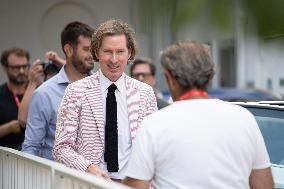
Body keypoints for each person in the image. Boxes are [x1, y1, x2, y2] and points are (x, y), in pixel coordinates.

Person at [123, 41, 274, 189]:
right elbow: (264, 185)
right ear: (209, 76)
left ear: (169, 77)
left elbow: (135, 186)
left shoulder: (154, 124)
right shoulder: (244, 118)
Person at [53, 19, 157, 181]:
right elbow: (61, 148)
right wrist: (89, 168)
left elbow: (153, 146)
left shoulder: (144, 93)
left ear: (129, 52)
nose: (114, 60)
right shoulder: (76, 91)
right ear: (96, 52)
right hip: (89, 183)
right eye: (108, 51)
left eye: (120, 51)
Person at [21, 21, 94, 160]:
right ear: (69, 50)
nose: (92, 54)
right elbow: (31, 147)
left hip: (98, 179)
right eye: (86, 49)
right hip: (57, 179)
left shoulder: (104, 88)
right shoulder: (44, 94)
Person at [0, 47, 43, 150]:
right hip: (6, 160)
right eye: (16, 67)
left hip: (36, 158)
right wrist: (9, 128)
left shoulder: (39, 92)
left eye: (25, 66)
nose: (22, 71)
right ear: (5, 67)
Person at [18, 51, 65, 128]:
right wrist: (32, 82)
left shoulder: (76, 88)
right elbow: (23, 120)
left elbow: (82, 74)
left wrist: (59, 60)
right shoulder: (40, 94)